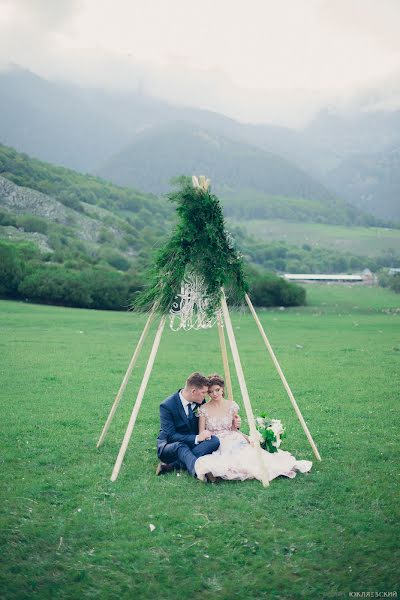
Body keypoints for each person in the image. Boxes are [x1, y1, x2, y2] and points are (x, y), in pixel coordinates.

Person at [194, 374, 312, 482]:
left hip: (233, 436)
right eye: (211, 392)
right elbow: (201, 433)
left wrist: (248, 437)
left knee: (249, 452)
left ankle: (268, 466)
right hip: (216, 440)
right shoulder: (204, 409)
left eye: (217, 390)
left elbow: (234, 430)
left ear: (222, 389)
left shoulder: (231, 405)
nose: (215, 394)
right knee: (231, 455)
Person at [156, 372, 221, 481]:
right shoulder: (167, 406)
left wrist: (234, 423)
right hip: (171, 446)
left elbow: (210, 420)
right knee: (180, 447)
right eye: (203, 392)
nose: (205, 395)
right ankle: (200, 472)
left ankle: (173, 465)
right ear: (193, 391)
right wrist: (197, 438)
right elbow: (171, 436)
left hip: (192, 443)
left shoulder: (199, 401)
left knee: (214, 441)